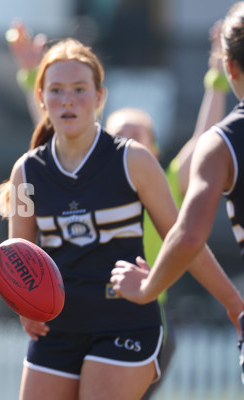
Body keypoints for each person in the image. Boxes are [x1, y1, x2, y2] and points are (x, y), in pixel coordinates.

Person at [0, 37, 243, 399]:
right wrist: (24, 307)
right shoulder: (26, 172)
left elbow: (185, 239)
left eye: (79, 89)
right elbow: (21, 260)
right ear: (41, 99)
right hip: (57, 330)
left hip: (125, 323)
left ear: (99, 98)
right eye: (56, 90)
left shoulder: (133, 160)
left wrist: (235, 305)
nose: (67, 100)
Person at [110, 2, 244, 383]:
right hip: (93, 318)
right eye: (118, 134)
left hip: (149, 315)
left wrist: (215, 79)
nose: (127, 140)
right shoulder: (90, 184)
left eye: (137, 135)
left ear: (153, 150)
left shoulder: (168, 182)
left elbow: (207, 137)